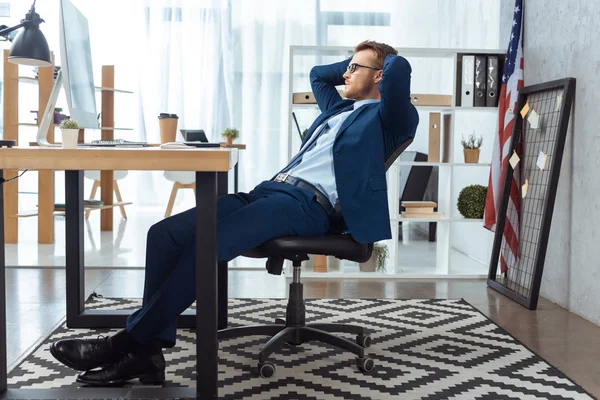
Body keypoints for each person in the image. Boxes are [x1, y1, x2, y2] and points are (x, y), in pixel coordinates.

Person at [49, 40, 419, 386]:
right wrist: (354, 62)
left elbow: (399, 69)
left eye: (356, 67)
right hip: (268, 191)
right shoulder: (338, 110)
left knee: (211, 244)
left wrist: (380, 64)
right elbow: (317, 75)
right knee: (164, 235)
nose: (347, 73)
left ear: (380, 76)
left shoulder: (391, 119)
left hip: (307, 206)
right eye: (348, 66)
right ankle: (147, 353)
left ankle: (124, 343)